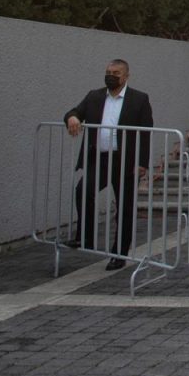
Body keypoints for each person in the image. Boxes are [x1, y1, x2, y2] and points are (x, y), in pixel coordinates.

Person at [64, 59, 154, 270]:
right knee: (83, 190)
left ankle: (119, 253)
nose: (111, 75)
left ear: (126, 76)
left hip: (126, 161)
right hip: (100, 158)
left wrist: (142, 163)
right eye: (108, 71)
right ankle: (84, 236)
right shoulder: (94, 96)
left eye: (115, 72)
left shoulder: (139, 99)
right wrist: (73, 118)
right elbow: (73, 112)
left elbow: (147, 133)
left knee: (124, 207)